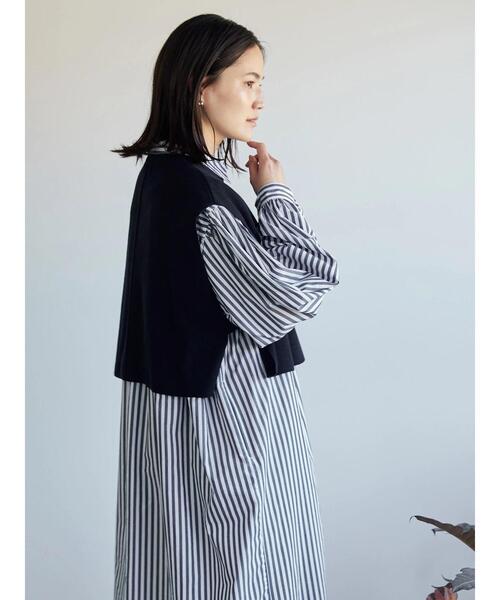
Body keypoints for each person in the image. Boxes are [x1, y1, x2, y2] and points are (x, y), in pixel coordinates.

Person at [111, 13, 339, 600]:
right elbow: (297, 289)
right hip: (225, 420)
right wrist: (276, 196)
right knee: (238, 568)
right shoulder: (196, 195)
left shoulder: (171, 178)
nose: (260, 99)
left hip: (189, 412)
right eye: (249, 82)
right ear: (200, 86)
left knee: (180, 565)